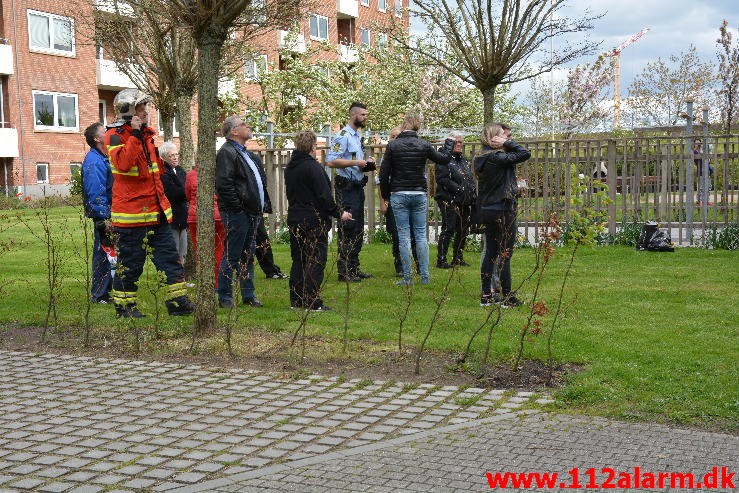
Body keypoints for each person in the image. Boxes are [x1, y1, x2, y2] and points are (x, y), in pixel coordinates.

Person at [105, 88, 194, 318]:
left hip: (156, 214)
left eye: (145, 108)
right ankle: (124, 307)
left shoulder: (148, 137)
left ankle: (177, 302)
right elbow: (123, 165)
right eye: (141, 108)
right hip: (133, 217)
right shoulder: (115, 136)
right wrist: (134, 135)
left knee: (170, 260)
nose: (146, 112)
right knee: (131, 265)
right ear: (128, 111)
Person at [379, 113, 453, 285]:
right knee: (420, 236)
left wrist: (387, 194)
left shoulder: (393, 146)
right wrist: (449, 143)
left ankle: (407, 277)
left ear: (403, 126)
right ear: (417, 127)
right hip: (419, 193)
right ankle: (425, 276)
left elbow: (384, 174)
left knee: (404, 236)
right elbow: (444, 159)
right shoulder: (424, 145)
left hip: (399, 193)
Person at [285, 130, 352, 311]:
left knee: (298, 259)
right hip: (313, 219)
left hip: (295, 216)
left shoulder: (290, 168)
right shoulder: (313, 168)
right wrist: (339, 213)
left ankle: (297, 299)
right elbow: (324, 196)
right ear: (312, 146)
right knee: (315, 259)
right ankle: (311, 300)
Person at [215, 115, 272, 309]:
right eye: (243, 124)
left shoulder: (244, 152)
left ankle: (249, 295)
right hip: (238, 212)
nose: (247, 127)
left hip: (251, 211)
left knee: (247, 254)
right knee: (232, 254)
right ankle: (224, 297)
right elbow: (224, 183)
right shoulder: (227, 152)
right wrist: (237, 208)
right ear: (234, 131)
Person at [475, 122, 531, 308]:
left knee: (491, 252)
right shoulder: (497, 157)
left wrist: (504, 144)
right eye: (502, 135)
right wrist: (507, 144)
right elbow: (525, 153)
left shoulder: (482, 158)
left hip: (488, 209)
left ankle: (486, 295)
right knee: (505, 254)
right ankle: (507, 297)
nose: (507, 138)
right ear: (493, 139)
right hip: (502, 209)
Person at [327, 102, 376, 282]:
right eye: (363, 115)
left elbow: (354, 160)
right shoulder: (343, 136)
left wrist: (366, 163)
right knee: (348, 228)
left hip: (356, 186)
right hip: (345, 188)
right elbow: (331, 161)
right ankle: (344, 270)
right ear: (353, 115)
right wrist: (356, 163)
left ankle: (354, 268)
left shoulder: (357, 136)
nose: (365, 118)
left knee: (357, 229)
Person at [82, 122, 114, 304]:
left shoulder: (104, 158)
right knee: (103, 254)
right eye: (104, 131)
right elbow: (96, 192)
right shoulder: (94, 162)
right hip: (103, 215)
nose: (107, 133)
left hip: (110, 213)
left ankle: (106, 291)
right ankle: (99, 294)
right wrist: (104, 217)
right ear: (96, 139)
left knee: (110, 253)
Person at [434, 130, 475, 269]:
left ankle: (458, 257)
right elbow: (442, 179)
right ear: (450, 142)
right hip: (448, 198)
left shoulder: (462, 159)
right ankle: (441, 260)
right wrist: (459, 189)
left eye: (460, 142)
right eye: (456, 142)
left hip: (464, 200)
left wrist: (471, 193)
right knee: (449, 228)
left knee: (463, 229)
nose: (458, 145)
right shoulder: (443, 157)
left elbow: (468, 178)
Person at [185, 165, 226, 287]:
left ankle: (205, 281)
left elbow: (187, 195)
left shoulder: (191, 175)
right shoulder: (219, 173)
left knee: (200, 250)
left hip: (195, 217)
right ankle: (217, 282)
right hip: (217, 216)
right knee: (218, 249)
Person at [159, 141, 189, 264]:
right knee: (174, 251)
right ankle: (176, 280)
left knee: (183, 251)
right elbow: (173, 193)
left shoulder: (180, 170)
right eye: (172, 155)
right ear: (164, 157)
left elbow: (186, 189)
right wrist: (185, 190)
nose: (175, 157)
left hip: (182, 217)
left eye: (177, 154)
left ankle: (182, 279)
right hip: (171, 218)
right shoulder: (163, 173)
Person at [693, 139, 713, 206]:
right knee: (701, 187)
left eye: (699, 143)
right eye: (697, 143)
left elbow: (708, 160)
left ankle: (707, 200)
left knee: (708, 187)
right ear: (694, 144)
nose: (698, 144)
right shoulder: (694, 152)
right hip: (700, 172)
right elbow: (699, 159)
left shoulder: (702, 150)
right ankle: (699, 201)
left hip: (707, 171)